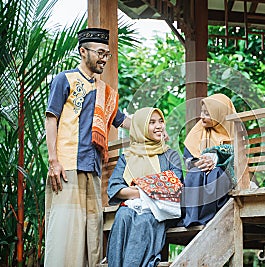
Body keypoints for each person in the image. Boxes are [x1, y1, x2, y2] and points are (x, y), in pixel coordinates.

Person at [44, 28, 131, 267]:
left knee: (91, 235)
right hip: (67, 166)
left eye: (107, 53)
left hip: (92, 168)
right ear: (83, 51)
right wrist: (53, 161)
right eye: (100, 52)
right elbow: (51, 118)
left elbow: (121, 120)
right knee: (66, 233)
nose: (104, 57)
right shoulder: (65, 79)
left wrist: (151, 125)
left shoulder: (105, 91)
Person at [106, 107, 183, 267]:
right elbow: (116, 188)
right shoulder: (127, 157)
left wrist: (137, 189)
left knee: (145, 220)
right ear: (140, 127)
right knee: (123, 216)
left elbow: (174, 185)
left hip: (160, 210)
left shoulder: (170, 155)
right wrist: (149, 190)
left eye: (161, 121)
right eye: (152, 122)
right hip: (130, 207)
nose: (159, 126)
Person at [180, 93, 236, 227]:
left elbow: (236, 159)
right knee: (195, 173)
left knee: (215, 173)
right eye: (202, 112)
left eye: (207, 113)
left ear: (219, 114)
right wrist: (198, 163)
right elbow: (188, 159)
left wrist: (217, 159)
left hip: (226, 174)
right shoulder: (198, 131)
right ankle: (192, 218)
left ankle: (210, 217)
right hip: (201, 171)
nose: (202, 117)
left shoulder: (234, 131)